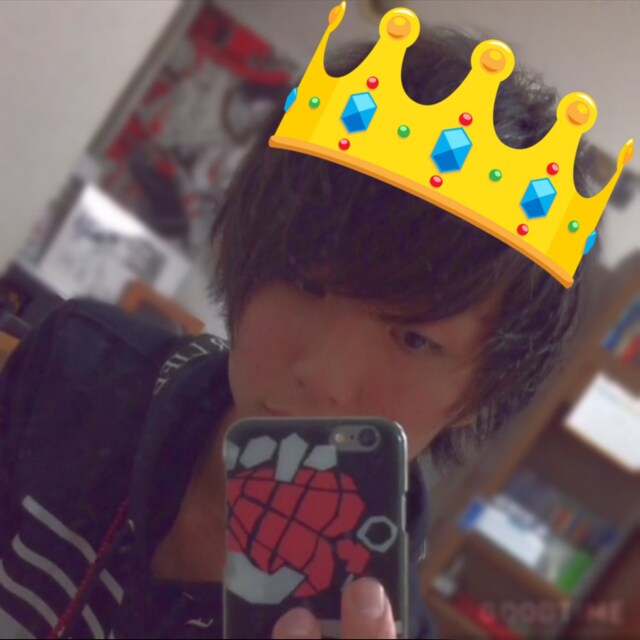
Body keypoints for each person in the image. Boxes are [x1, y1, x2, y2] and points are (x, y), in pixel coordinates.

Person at [0, 5, 613, 639]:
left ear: (479, 394)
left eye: (414, 339)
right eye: (307, 284)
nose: (325, 377)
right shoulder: (78, 369)